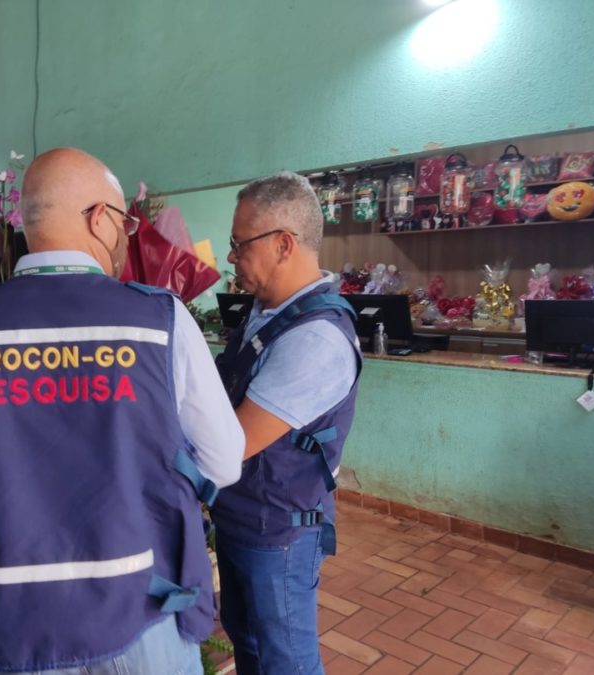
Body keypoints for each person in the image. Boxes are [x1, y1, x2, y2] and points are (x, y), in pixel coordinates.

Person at [0, 147, 244, 675]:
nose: (124, 236)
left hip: (15, 619)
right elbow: (223, 462)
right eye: (123, 222)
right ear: (98, 218)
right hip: (140, 605)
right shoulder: (159, 320)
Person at [211, 172, 362, 674]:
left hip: (277, 532)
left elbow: (233, 443)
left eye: (239, 244)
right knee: (248, 643)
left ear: (282, 244)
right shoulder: (265, 311)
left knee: (287, 661)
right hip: (241, 515)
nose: (232, 257)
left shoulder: (315, 339)